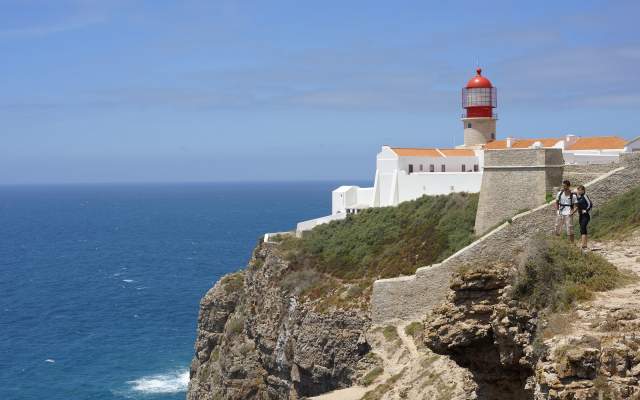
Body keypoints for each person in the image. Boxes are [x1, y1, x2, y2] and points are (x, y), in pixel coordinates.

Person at [575, 185, 593, 250]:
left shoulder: (585, 196)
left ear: (583, 190)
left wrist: (586, 210)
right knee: (582, 229)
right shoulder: (579, 198)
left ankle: (583, 245)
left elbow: (590, 204)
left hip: (586, 215)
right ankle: (585, 245)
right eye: (578, 190)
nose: (578, 191)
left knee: (583, 227)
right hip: (581, 215)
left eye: (579, 190)